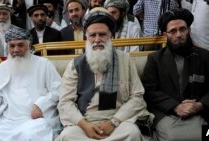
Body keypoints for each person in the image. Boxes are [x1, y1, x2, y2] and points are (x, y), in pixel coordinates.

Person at [55, 7, 154, 141]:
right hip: (85, 121)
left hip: (119, 120)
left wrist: (114, 122)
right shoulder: (75, 65)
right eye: (92, 35)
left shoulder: (125, 60)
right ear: (86, 37)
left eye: (102, 34)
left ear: (110, 36)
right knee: (67, 136)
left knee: (132, 133)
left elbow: (137, 97)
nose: (97, 40)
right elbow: (65, 102)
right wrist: (85, 126)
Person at [142, 8, 209, 141]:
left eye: (182, 29)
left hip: (198, 112)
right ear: (165, 35)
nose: (179, 34)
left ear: (189, 30)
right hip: (166, 113)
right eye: (173, 31)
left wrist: (200, 105)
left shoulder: (203, 56)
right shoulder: (155, 58)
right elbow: (150, 91)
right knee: (174, 137)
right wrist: (176, 106)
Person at [0, 26, 62, 141]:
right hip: (8, 120)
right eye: (12, 46)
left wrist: (41, 104)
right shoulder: (3, 67)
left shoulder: (44, 64)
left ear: (29, 46)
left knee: (29, 135)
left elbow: (58, 89)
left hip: (36, 119)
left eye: (20, 45)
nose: (16, 50)